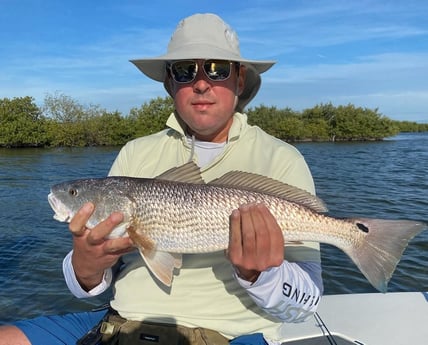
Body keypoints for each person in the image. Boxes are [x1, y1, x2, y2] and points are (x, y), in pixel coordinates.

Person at [0, 13, 323, 345]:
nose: (201, 83)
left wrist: (260, 276)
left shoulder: (282, 158)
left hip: (230, 335)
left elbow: (307, 303)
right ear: (170, 83)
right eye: (185, 70)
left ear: (239, 80)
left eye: (217, 69)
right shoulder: (135, 152)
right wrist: (85, 265)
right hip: (120, 323)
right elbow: (89, 283)